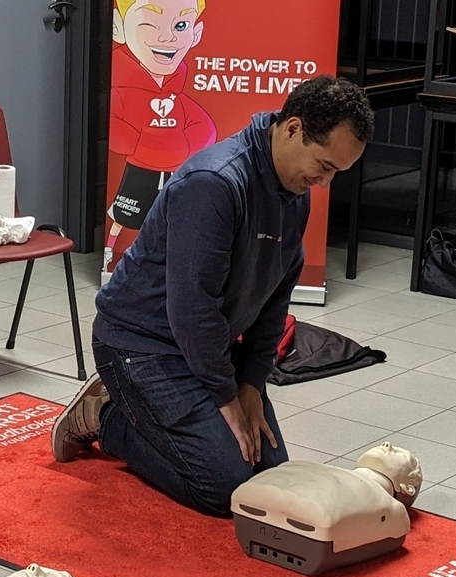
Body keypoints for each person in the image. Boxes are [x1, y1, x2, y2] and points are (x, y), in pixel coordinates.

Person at [52, 76, 374, 517]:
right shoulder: (215, 183)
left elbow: (275, 302)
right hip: (140, 347)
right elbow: (191, 308)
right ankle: (105, 417)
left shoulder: (295, 194)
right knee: (225, 488)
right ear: (294, 128)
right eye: (325, 165)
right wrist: (225, 396)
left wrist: (251, 386)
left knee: (267, 476)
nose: (323, 181)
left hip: (208, 347)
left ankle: (148, 413)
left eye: (337, 171)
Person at [103, 0, 217, 273]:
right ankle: (112, 256)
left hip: (176, 173)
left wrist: (158, 143)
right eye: (149, 24)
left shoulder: (176, 93)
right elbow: (120, 134)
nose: (167, 37)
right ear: (118, 28)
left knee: (173, 215)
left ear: (196, 33)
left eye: (181, 25)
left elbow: (205, 128)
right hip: (139, 171)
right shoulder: (122, 88)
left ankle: (167, 263)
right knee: (125, 214)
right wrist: (164, 143)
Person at [231, 442, 423, 575]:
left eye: (398, 453)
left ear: (408, 488)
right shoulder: (313, 469)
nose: (387, 445)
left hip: (314, 520)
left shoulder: (392, 511)